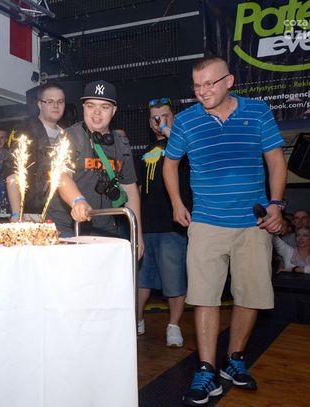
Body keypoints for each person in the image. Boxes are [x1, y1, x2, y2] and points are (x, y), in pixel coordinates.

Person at [162, 56, 287, 406]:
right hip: (205, 222)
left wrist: (276, 204)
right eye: (196, 86)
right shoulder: (186, 120)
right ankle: (206, 369)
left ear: (229, 81)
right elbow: (170, 164)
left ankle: (234, 359)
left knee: (251, 295)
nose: (202, 91)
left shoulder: (258, 112)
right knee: (204, 296)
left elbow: (276, 161)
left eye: (209, 84)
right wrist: (177, 203)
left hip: (253, 224)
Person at [48, 80, 144, 258]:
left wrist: (137, 235)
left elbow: (130, 190)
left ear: (114, 111)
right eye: (91, 105)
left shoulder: (121, 144)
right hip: (67, 226)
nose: (96, 112)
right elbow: (61, 175)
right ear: (83, 107)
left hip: (105, 228)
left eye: (104, 107)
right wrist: (77, 201)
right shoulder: (69, 137)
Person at [137, 97, 192, 347]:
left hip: (172, 225)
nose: (159, 121)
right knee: (142, 279)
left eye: (165, 116)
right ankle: (137, 320)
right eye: (155, 118)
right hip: (146, 226)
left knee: (174, 278)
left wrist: (171, 132)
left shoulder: (185, 145)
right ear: (150, 123)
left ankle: (173, 326)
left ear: (174, 118)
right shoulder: (143, 153)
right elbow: (137, 189)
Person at [6, 83, 66, 220]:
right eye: (50, 101)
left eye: (60, 101)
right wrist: (16, 214)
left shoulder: (68, 134)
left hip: (62, 215)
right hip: (31, 213)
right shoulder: (25, 130)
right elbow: (12, 173)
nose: (56, 106)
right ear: (40, 104)